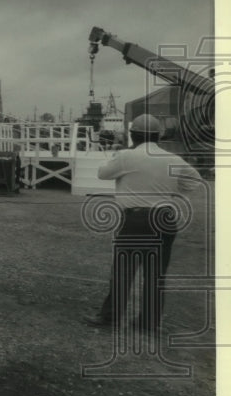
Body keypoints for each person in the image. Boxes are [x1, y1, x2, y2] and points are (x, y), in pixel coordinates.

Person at [84, 113, 202, 336]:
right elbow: (195, 181)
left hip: (136, 219)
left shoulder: (126, 156)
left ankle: (110, 318)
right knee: (156, 275)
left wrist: (116, 157)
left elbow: (102, 174)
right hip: (165, 218)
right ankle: (149, 322)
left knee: (123, 272)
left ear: (133, 135)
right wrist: (174, 192)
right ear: (158, 137)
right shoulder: (173, 159)